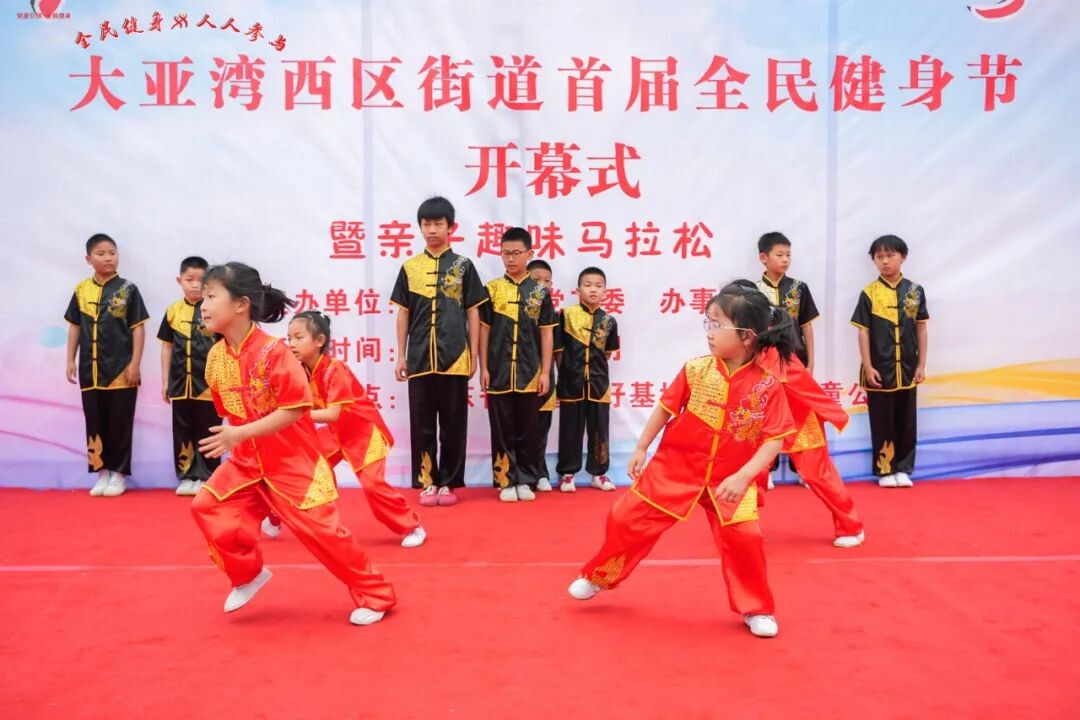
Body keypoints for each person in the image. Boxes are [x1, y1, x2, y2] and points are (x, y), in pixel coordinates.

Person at [567, 282, 797, 638]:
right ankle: (599, 576)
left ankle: (757, 608)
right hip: (677, 468)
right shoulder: (695, 370)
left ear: (747, 336)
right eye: (708, 323)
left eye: (718, 325)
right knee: (624, 517)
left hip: (731, 480)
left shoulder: (768, 385)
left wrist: (743, 477)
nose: (710, 332)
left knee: (746, 538)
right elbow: (665, 409)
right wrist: (642, 448)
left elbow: (774, 439)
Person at [190, 262, 395, 626]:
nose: (202, 305)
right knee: (206, 505)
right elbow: (229, 412)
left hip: (291, 462)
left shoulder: (274, 353)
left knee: (325, 536)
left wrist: (240, 433)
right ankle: (248, 574)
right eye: (202, 298)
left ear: (241, 304)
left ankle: (377, 595)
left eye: (210, 296)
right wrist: (237, 437)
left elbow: (296, 410)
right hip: (246, 463)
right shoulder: (216, 358)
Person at [286, 310, 427, 548]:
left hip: (363, 434)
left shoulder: (335, 369)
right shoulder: (300, 372)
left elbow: (332, 414)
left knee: (373, 486)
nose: (292, 344)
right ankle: (281, 516)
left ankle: (412, 526)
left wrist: (294, 416)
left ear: (320, 341)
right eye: (289, 338)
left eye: (299, 338)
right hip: (335, 434)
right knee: (300, 467)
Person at [390, 196, 486, 507]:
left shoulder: (463, 266)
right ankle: (427, 481)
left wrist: (473, 354)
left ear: (451, 227)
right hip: (419, 357)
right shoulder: (410, 267)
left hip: (455, 355)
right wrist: (402, 355)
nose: (432, 229)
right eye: (427, 224)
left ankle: (449, 482)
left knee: (453, 423)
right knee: (422, 423)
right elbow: (403, 313)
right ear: (420, 227)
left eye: (438, 224)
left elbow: (473, 312)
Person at [64, 233, 149, 497]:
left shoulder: (128, 289)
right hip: (90, 369)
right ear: (89, 259)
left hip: (121, 370)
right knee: (95, 421)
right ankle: (102, 473)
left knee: (120, 422)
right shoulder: (81, 290)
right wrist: (70, 360)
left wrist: (135, 363)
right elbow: (75, 327)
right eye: (101, 254)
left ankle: (119, 474)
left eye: (112, 252)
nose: (108, 258)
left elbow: (137, 329)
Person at [478, 227, 556, 502]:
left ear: (529, 254)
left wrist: (545, 372)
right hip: (498, 370)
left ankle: (526, 479)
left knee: (528, 428)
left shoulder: (540, 292)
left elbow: (546, 334)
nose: (510, 259)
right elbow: (484, 331)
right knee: (502, 427)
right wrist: (484, 367)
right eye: (505, 253)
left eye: (516, 253)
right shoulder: (492, 289)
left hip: (529, 371)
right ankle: (505, 480)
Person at [850, 235, 929, 488]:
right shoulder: (869, 293)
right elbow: (863, 332)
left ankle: (904, 469)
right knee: (881, 421)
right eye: (879, 257)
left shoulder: (915, 291)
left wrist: (921, 364)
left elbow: (921, 328)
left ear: (902, 257)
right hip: (879, 369)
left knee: (907, 421)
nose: (885, 261)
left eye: (890, 255)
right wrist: (868, 366)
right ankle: (885, 470)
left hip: (907, 368)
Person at [754, 231, 819, 489]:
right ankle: (764, 469)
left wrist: (810, 363)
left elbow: (807, 327)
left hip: (795, 363)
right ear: (763, 257)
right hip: (765, 364)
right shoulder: (753, 291)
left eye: (788, 255)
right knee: (766, 416)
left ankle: (802, 468)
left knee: (798, 416)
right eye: (779, 255)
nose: (785, 260)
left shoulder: (799, 288)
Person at [157, 256, 220, 496]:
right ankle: (186, 476)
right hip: (180, 383)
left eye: (200, 280)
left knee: (210, 431)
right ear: (179, 280)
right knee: (182, 431)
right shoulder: (172, 311)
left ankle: (209, 477)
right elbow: (167, 348)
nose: (195, 285)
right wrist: (165, 381)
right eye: (189, 279)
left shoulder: (215, 310)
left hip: (209, 386)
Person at [554, 267, 620, 493]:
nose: (593, 290)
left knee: (599, 429)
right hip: (571, 383)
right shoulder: (566, 315)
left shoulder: (609, 321)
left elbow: (607, 353)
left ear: (605, 291)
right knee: (570, 429)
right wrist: (566, 373)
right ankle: (567, 474)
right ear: (578, 289)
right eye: (588, 285)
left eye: (598, 286)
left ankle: (598, 474)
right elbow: (558, 351)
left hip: (599, 384)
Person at [527, 259, 557, 492]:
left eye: (547, 281)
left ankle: (540, 472)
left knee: (541, 426)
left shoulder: (553, 314)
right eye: (536, 279)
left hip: (545, 375)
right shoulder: (516, 308)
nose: (542, 285)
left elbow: (558, 352)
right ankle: (520, 474)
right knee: (522, 427)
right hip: (519, 374)